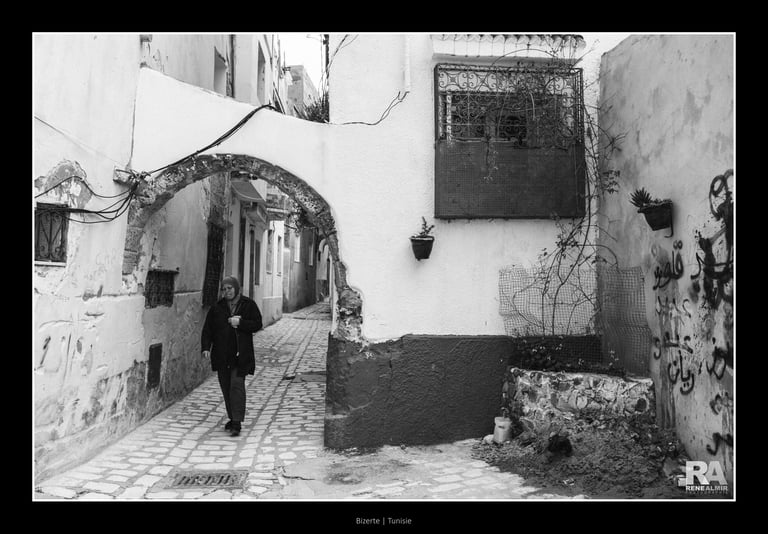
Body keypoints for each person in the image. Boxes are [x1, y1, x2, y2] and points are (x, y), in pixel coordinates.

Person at [201, 276, 262, 436]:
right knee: (226, 387)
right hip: (222, 354)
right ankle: (232, 417)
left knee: (236, 386)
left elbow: (257, 324)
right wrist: (206, 347)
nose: (226, 291)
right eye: (224, 289)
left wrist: (241, 323)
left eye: (229, 288)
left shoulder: (248, 305)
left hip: (240, 355)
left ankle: (237, 422)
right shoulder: (217, 307)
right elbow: (208, 329)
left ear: (236, 288)